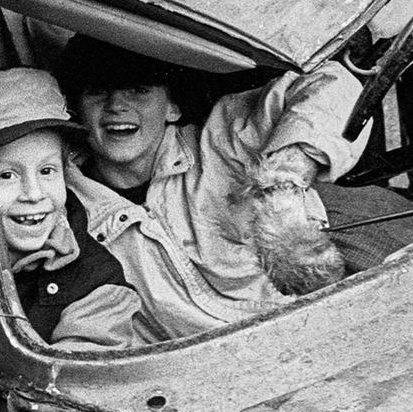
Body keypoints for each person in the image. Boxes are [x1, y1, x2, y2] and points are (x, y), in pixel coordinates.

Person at [53, 36, 374, 342]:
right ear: (76, 110)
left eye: (138, 89)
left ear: (172, 107)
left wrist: (282, 189)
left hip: (303, 334)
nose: (116, 106)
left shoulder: (222, 142)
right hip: (195, 381)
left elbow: (336, 86)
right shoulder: (59, 206)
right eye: (97, 91)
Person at [0, 68, 145, 350]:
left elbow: (72, 382)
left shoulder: (98, 282)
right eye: (7, 175)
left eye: (47, 171)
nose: (34, 194)